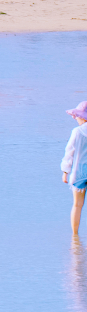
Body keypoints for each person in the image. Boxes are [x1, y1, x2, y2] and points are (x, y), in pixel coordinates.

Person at [65, 102, 87, 240]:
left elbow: (69, 153)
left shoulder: (77, 132)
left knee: (77, 205)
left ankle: (75, 236)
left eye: (77, 115)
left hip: (79, 172)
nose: (75, 118)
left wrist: (65, 171)